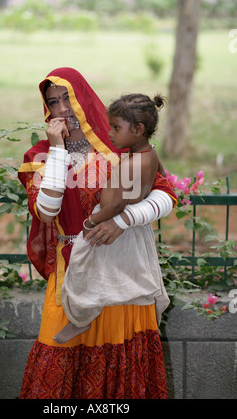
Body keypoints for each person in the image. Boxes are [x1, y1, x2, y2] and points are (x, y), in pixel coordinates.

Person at [18, 67, 177, 399]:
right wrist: (58, 149)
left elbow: (165, 196)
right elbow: (46, 212)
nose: (62, 109)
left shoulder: (119, 144)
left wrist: (122, 220)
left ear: (82, 99)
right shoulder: (40, 156)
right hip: (70, 269)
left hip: (122, 274)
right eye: (53, 102)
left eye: (68, 99)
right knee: (57, 353)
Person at [53, 93, 170, 345]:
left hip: (111, 224)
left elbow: (117, 203)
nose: (111, 134)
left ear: (138, 129)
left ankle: (81, 318)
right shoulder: (149, 155)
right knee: (96, 270)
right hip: (121, 224)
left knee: (82, 263)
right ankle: (85, 316)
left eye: (116, 128)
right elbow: (161, 176)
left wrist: (92, 221)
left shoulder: (131, 163)